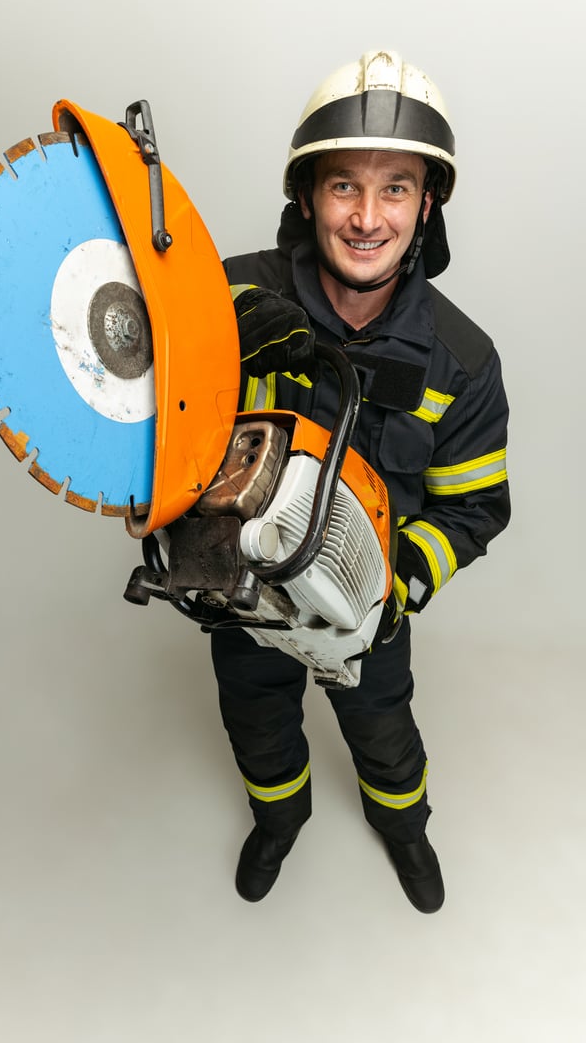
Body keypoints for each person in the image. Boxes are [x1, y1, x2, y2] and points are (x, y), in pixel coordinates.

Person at [211, 50, 510, 913]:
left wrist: (395, 587)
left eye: (396, 189)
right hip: (242, 596)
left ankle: (404, 827)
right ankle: (281, 818)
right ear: (306, 198)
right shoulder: (226, 296)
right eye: (344, 186)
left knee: (384, 729)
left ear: (428, 207)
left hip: (367, 619)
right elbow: (147, 420)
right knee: (255, 717)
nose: (368, 218)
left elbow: (474, 507)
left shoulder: (463, 361)